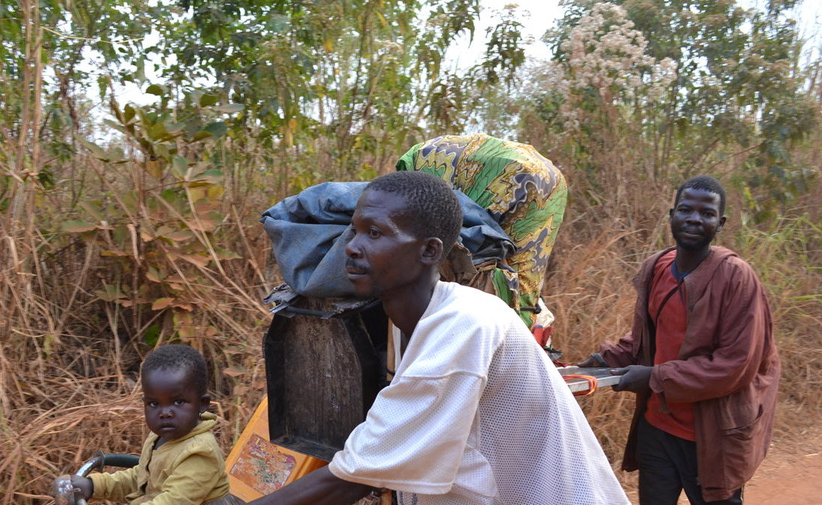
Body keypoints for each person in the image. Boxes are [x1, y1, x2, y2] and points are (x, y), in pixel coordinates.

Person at [250, 170, 630, 505]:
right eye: (355, 230)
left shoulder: (466, 325)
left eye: (376, 233)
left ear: (430, 250)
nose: (351, 246)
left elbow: (354, 477)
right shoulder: (412, 320)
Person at [578, 175, 780, 505]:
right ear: (672, 213)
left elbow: (736, 365)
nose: (694, 219)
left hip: (711, 436)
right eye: (686, 210)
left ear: (721, 222)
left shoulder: (736, 277)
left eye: (706, 213)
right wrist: (608, 360)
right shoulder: (658, 266)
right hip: (657, 427)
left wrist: (653, 377)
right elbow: (647, 337)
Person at [55, 344, 238, 505]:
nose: (165, 413)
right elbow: (142, 479)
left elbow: (174, 501)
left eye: (179, 402)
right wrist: (94, 486)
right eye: (154, 404)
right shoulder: (160, 436)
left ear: (202, 404)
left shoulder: (200, 453)